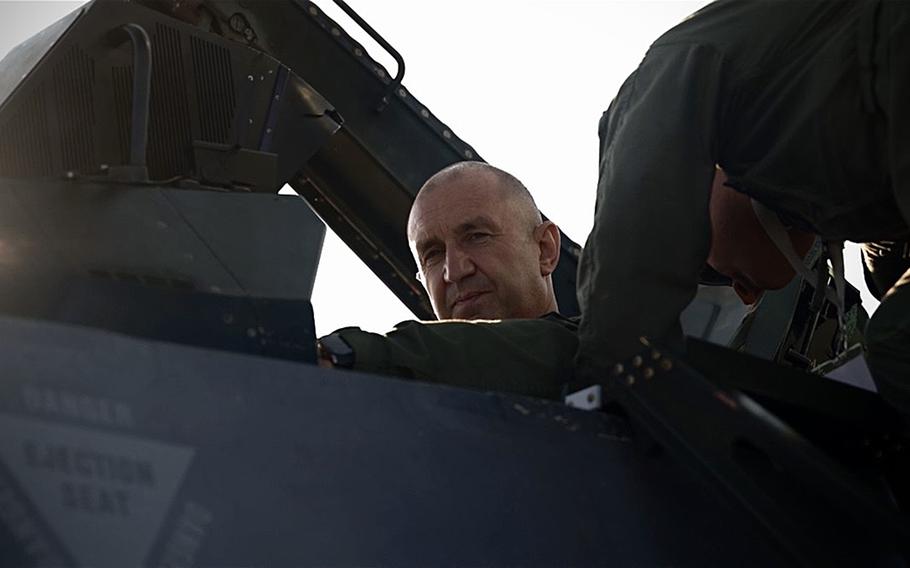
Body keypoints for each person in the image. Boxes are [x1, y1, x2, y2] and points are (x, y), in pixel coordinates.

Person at [576, 0, 910, 412]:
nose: (745, 294)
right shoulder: (838, 155)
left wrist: (610, 399)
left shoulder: (688, 65)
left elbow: (630, 266)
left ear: (707, 167)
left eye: (704, 258)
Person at [317, 162, 576, 400]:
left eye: (477, 236)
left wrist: (344, 354)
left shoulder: (595, 357)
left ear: (545, 249)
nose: (454, 271)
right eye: (433, 254)